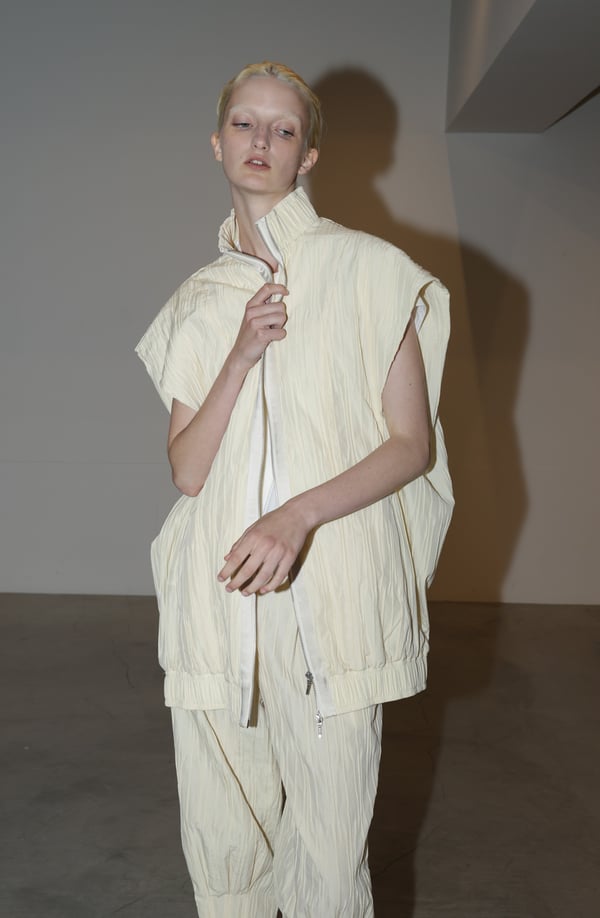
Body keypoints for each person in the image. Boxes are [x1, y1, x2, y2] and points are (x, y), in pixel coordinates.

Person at [136, 61, 453, 918]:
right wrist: (240, 354)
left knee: (328, 848)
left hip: (328, 597)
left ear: (307, 155)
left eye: (283, 130)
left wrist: (296, 516)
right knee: (225, 836)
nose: (261, 141)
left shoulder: (369, 271)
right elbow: (188, 469)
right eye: (245, 124)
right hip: (219, 599)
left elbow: (410, 445)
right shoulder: (199, 301)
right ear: (217, 143)